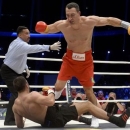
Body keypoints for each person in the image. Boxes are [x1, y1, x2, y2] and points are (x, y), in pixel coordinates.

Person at [35, 2, 130, 127]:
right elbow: (48, 29)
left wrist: (126, 24)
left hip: (86, 62)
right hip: (69, 60)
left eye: (73, 15)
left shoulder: (89, 21)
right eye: (67, 15)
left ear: (79, 13)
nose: (70, 18)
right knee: (58, 86)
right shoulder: (63, 25)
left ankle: (95, 117)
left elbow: (108, 20)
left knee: (89, 92)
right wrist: (43, 28)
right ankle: (50, 108)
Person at [12, 76, 130, 128]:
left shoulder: (15, 106)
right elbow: (51, 102)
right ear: (27, 85)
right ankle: (118, 121)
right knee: (88, 104)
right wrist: (51, 91)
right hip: (55, 117)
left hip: (47, 122)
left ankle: (87, 120)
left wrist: (28, 114)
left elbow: (20, 126)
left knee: (70, 106)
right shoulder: (32, 95)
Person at [0, 26, 61, 125]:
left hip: (14, 71)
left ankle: (15, 118)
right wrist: (49, 47)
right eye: (26, 33)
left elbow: (18, 57)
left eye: (29, 33)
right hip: (8, 71)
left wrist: (25, 67)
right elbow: (33, 48)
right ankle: (10, 120)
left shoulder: (16, 43)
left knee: (23, 91)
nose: (29, 36)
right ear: (20, 34)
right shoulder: (20, 44)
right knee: (18, 93)